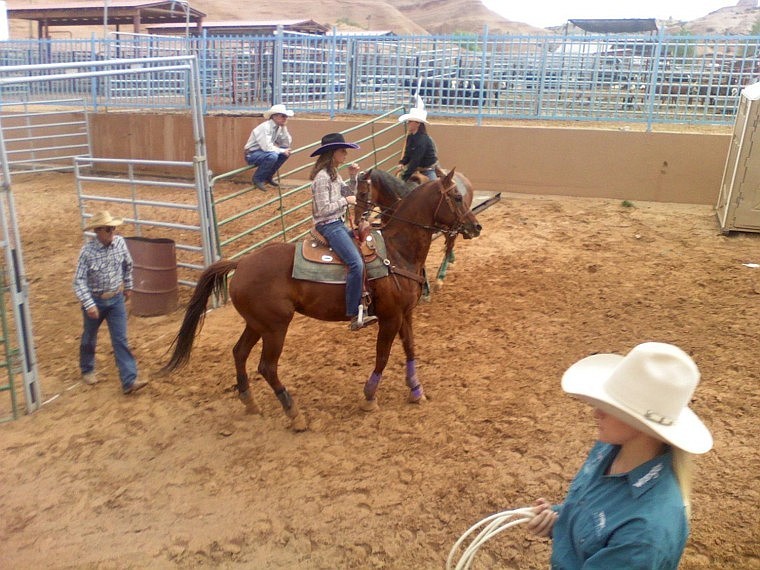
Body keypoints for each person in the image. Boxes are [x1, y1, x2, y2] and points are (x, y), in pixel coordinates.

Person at [527, 342, 713, 569]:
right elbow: (596, 510)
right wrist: (558, 519)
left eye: (612, 407)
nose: (596, 412)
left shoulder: (643, 533)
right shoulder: (611, 448)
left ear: (641, 425)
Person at [309, 133, 378, 332]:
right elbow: (322, 210)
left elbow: (350, 195)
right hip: (329, 225)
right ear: (332, 154)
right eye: (342, 151)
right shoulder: (322, 178)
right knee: (355, 263)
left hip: (337, 224)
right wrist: (344, 202)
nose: (346, 154)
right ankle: (353, 311)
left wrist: (353, 178)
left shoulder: (334, 175)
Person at [73, 211, 147, 395]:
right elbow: (78, 280)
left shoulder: (120, 243)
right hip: (95, 300)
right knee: (89, 337)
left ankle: (129, 380)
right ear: (98, 231)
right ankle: (87, 368)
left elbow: (127, 265)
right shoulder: (87, 252)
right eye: (108, 228)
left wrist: (128, 286)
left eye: (113, 227)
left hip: (115, 300)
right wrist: (89, 304)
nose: (113, 230)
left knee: (120, 339)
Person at [243, 103, 294, 192]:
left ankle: (268, 176)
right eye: (283, 116)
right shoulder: (265, 127)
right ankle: (258, 179)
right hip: (251, 154)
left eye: (286, 116)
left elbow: (286, 143)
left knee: (283, 154)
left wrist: (284, 128)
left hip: (262, 152)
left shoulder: (278, 128)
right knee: (273, 156)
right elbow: (266, 147)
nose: (285, 118)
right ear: (274, 116)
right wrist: (282, 150)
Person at [397, 105, 438, 182]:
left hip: (428, 170)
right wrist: (402, 163)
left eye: (410, 121)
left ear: (418, 123)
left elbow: (416, 160)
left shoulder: (423, 140)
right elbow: (408, 154)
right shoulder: (410, 137)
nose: (408, 123)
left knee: (434, 188)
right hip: (415, 169)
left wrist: (404, 177)